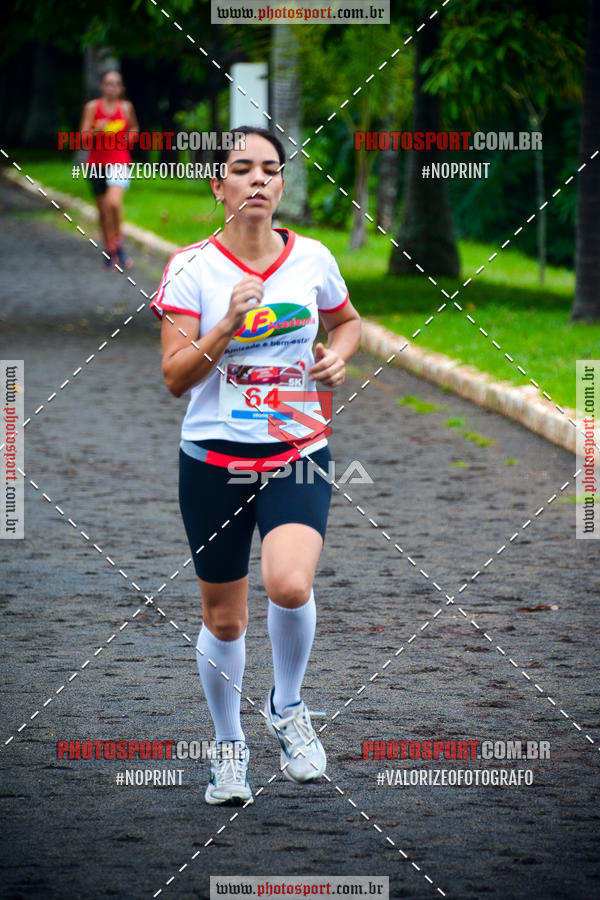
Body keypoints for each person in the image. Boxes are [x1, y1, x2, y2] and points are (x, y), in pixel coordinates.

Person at [151, 125, 361, 805]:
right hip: (212, 460)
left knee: (291, 584)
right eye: (243, 169)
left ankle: (287, 707)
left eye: (271, 169)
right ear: (219, 187)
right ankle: (228, 746)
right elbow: (176, 376)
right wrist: (227, 325)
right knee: (226, 621)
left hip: (298, 450)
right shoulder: (191, 268)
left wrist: (340, 355)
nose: (260, 180)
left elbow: (348, 320)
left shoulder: (314, 258)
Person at [79, 69, 139, 268]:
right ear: (102, 86)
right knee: (103, 210)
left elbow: (134, 129)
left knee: (113, 203)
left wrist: (128, 138)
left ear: (121, 88)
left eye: (116, 84)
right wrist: (98, 130)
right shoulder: (92, 107)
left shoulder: (126, 107)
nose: (112, 88)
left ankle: (119, 244)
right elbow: (83, 137)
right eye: (108, 84)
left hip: (119, 161)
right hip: (96, 163)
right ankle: (109, 248)